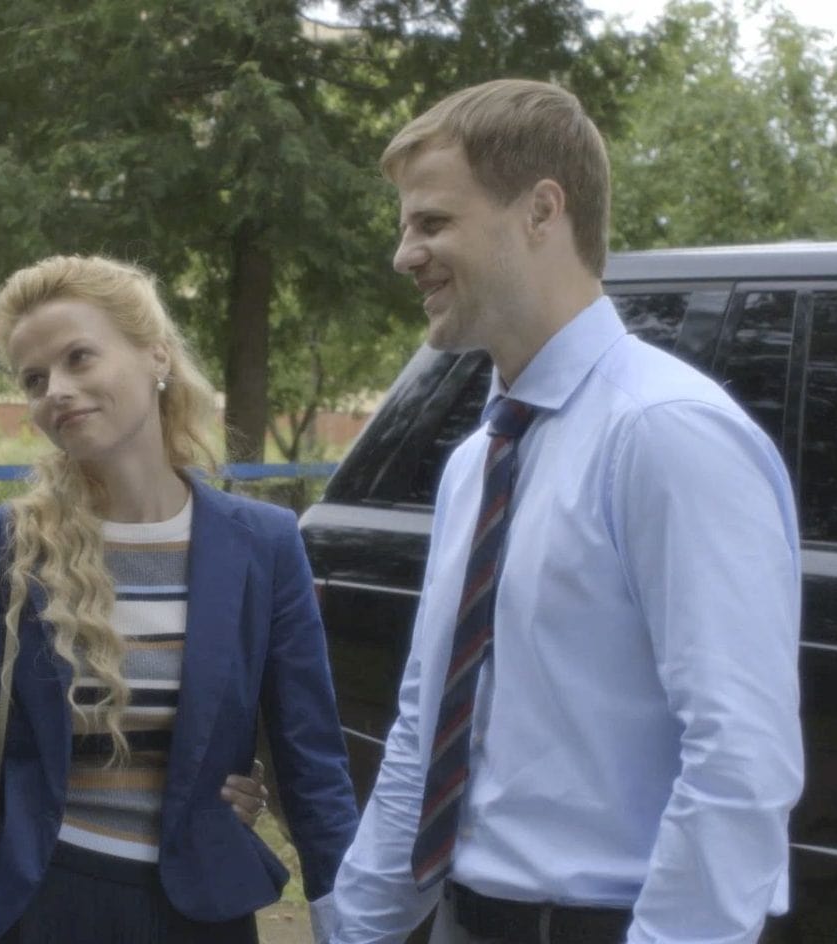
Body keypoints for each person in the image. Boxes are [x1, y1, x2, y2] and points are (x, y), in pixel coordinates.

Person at [329, 80, 802, 943]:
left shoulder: (666, 435)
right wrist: (357, 929)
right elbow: (425, 729)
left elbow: (740, 760)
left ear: (541, 211)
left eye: (432, 222)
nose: (405, 255)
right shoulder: (477, 461)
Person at [0, 255, 359, 944]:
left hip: (201, 912)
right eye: (35, 379)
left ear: (156, 355)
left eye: (80, 358)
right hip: (44, 905)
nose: (58, 391)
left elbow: (311, 762)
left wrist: (348, 921)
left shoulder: (263, 544)